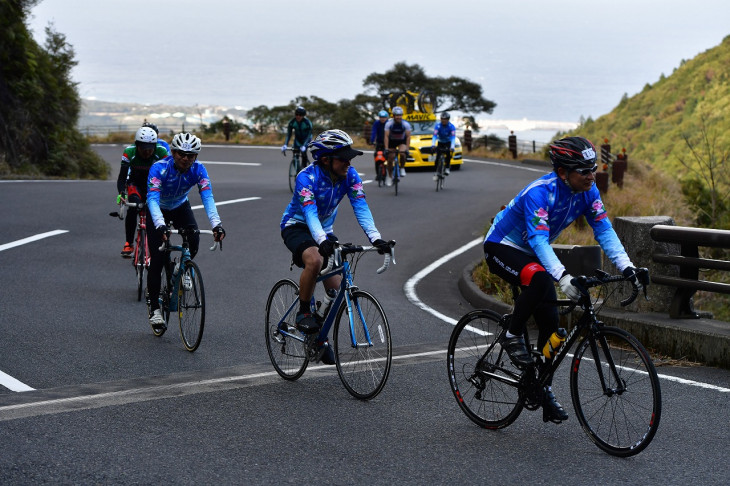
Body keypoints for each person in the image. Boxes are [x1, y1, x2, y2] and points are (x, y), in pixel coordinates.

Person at [482, 136, 644, 423]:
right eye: (584, 171)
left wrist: (628, 267)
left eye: (593, 168)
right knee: (542, 280)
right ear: (562, 172)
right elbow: (539, 240)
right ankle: (511, 334)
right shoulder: (539, 193)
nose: (591, 176)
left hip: (532, 253)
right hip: (502, 246)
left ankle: (541, 389)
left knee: (552, 328)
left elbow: (604, 231)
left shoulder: (588, 191)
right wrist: (563, 276)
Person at [280, 129, 391, 364]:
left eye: (350, 158)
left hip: (325, 232)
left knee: (338, 290)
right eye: (344, 158)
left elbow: (361, 206)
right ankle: (303, 312)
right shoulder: (306, 178)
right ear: (325, 159)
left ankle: (318, 339)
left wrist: (376, 238)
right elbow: (309, 214)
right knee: (315, 260)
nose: (349, 163)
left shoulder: (350, 176)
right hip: (297, 226)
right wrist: (321, 242)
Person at [146, 132, 226, 329]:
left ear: (196, 157)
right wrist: (159, 224)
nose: (186, 158)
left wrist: (216, 224)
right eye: (182, 153)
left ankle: (180, 268)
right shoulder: (159, 168)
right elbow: (152, 199)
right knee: (157, 258)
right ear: (173, 152)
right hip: (159, 208)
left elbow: (208, 197)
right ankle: (155, 308)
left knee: (194, 239)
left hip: (181, 206)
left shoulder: (199, 170)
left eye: (191, 155)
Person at [116, 126, 169, 257]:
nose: (147, 152)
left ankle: (161, 238)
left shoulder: (161, 152)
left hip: (154, 185)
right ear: (137, 145)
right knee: (133, 207)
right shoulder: (129, 152)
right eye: (143, 148)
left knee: (158, 210)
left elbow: (168, 177)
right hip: (136, 184)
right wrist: (121, 193)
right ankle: (129, 243)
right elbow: (122, 177)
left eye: (150, 148)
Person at [383, 106, 412, 186]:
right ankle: (389, 176)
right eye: (397, 115)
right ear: (393, 116)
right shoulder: (389, 124)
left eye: (400, 115)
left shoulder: (405, 124)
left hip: (401, 141)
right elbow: (386, 136)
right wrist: (386, 148)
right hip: (392, 142)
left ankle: (402, 168)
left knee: (403, 154)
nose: (399, 117)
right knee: (390, 158)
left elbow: (408, 137)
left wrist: (407, 149)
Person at [431, 112, 456, 179]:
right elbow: (434, 136)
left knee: (448, 154)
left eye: (445, 119)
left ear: (448, 120)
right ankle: (436, 172)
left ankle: (447, 168)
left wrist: (452, 147)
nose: (443, 120)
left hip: (448, 142)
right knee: (437, 157)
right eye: (442, 119)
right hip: (440, 142)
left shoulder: (451, 127)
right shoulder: (437, 126)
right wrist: (433, 145)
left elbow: (453, 138)